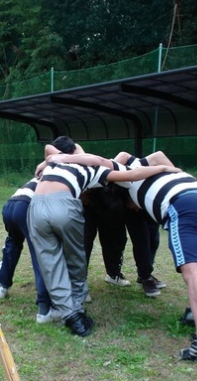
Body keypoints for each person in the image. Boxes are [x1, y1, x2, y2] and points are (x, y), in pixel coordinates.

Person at [29, 137, 179, 337]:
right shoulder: (96, 169)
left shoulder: (55, 160)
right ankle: (76, 312)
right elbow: (131, 174)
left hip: (35, 207)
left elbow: (50, 147)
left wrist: (51, 160)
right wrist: (163, 169)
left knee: (51, 264)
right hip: (63, 203)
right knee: (76, 260)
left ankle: (64, 310)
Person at [113, 150, 197, 362]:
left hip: (184, 204)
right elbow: (159, 154)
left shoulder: (127, 175)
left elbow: (108, 162)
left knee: (194, 271)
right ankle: (195, 312)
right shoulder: (155, 166)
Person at [0, 177, 62, 324]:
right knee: (41, 252)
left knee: (14, 241)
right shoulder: (67, 178)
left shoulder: (48, 173)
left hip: (10, 206)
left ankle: (2, 284)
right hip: (27, 207)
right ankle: (45, 309)